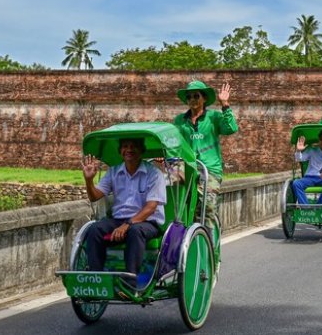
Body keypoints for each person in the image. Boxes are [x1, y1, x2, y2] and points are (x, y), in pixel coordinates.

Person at [81, 138, 167, 287]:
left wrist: (127, 224)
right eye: (125, 146)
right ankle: (97, 279)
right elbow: (94, 196)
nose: (129, 150)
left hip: (147, 222)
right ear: (120, 151)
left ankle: (130, 283)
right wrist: (89, 180)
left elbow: (151, 207)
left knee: (135, 231)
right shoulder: (114, 172)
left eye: (134, 146)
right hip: (119, 220)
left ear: (141, 151)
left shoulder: (153, 173)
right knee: (94, 229)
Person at [173, 80, 238, 268]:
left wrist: (225, 104)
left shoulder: (214, 117)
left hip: (209, 169)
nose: (192, 99)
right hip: (185, 167)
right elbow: (173, 143)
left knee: (207, 209)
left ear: (204, 99)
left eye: (196, 96)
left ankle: (209, 251)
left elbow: (231, 128)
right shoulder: (180, 121)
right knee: (174, 203)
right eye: (189, 96)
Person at [292, 130, 322, 217]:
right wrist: (298, 151)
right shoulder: (312, 151)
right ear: (319, 141)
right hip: (310, 177)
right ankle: (306, 209)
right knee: (296, 183)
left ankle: (318, 208)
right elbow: (299, 159)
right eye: (321, 139)